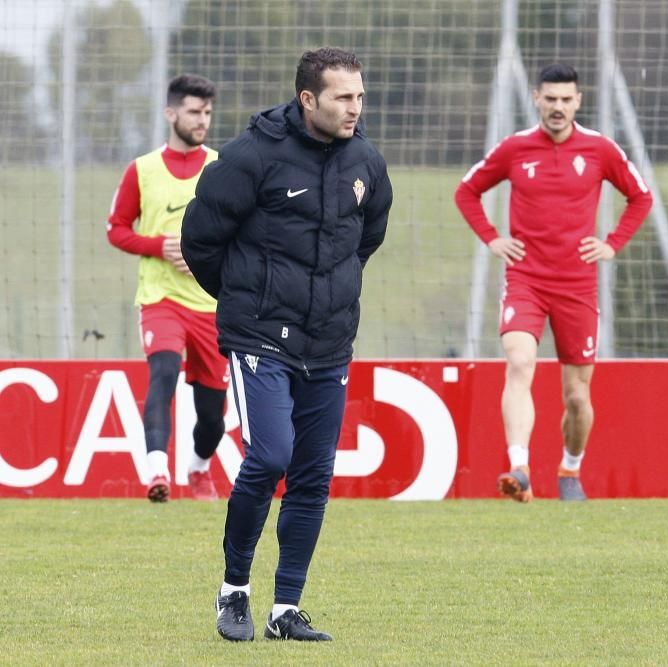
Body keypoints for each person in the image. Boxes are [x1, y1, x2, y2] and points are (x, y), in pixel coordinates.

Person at [181, 47, 391, 642]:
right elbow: (200, 238)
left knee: (312, 474)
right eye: (342, 98)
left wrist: (331, 295)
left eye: (360, 97)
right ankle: (235, 591)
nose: (355, 109)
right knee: (270, 455)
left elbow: (366, 238)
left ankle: (285, 609)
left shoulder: (366, 162)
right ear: (308, 99)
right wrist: (250, 300)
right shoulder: (251, 157)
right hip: (259, 338)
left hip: (329, 342)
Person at [454, 63, 652, 503]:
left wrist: (613, 243)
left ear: (578, 101)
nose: (558, 107)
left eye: (566, 99)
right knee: (520, 361)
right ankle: (520, 468)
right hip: (525, 277)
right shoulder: (515, 149)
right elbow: (467, 191)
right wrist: (492, 238)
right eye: (551, 99)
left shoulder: (601, 149)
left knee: (578, 397)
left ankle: (570, 468)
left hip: (577, 285)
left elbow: (641, 196)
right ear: (536, 98)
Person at [107, 74, 228, 503]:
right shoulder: (141, 170)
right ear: (171, 113)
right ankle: (157, 472)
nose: (203, 120)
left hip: (212, 305)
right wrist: (160, 246)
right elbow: (116, 230)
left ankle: (198, 467)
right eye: (195, 112)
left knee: (213, 415)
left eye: (208, 113)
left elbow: (237, 231)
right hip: (160, 300)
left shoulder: (221, 167)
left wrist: (203, 254)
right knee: (161, 373)